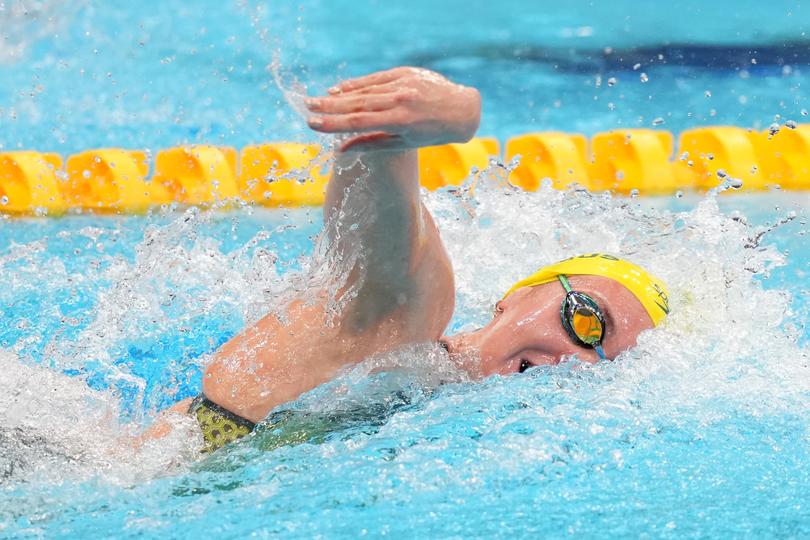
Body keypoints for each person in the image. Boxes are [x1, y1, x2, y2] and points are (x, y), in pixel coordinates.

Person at [144, 67, 670, 453]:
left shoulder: (448, 421)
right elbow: (381, 233)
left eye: (605, 364)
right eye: (587, 321)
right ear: (517, 296)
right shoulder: (410, 325)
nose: (579, 360)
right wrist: (402, 134)